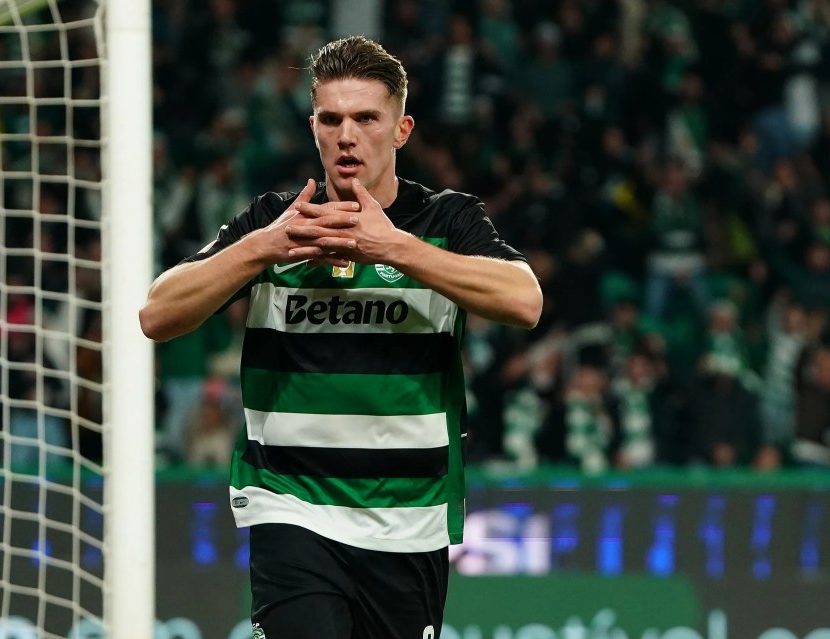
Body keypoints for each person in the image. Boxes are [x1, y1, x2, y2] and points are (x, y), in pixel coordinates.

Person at [140, 35, 542, 639]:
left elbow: (524, 301)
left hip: (409, 519)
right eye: (331, 120)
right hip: (291, 505)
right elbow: (157, 314)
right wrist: (262, 249)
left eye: (366, 119)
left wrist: (395, 248)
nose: (346, 135)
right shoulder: (275, 223)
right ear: (314, 128)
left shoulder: (446, 220)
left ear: (401, 130)